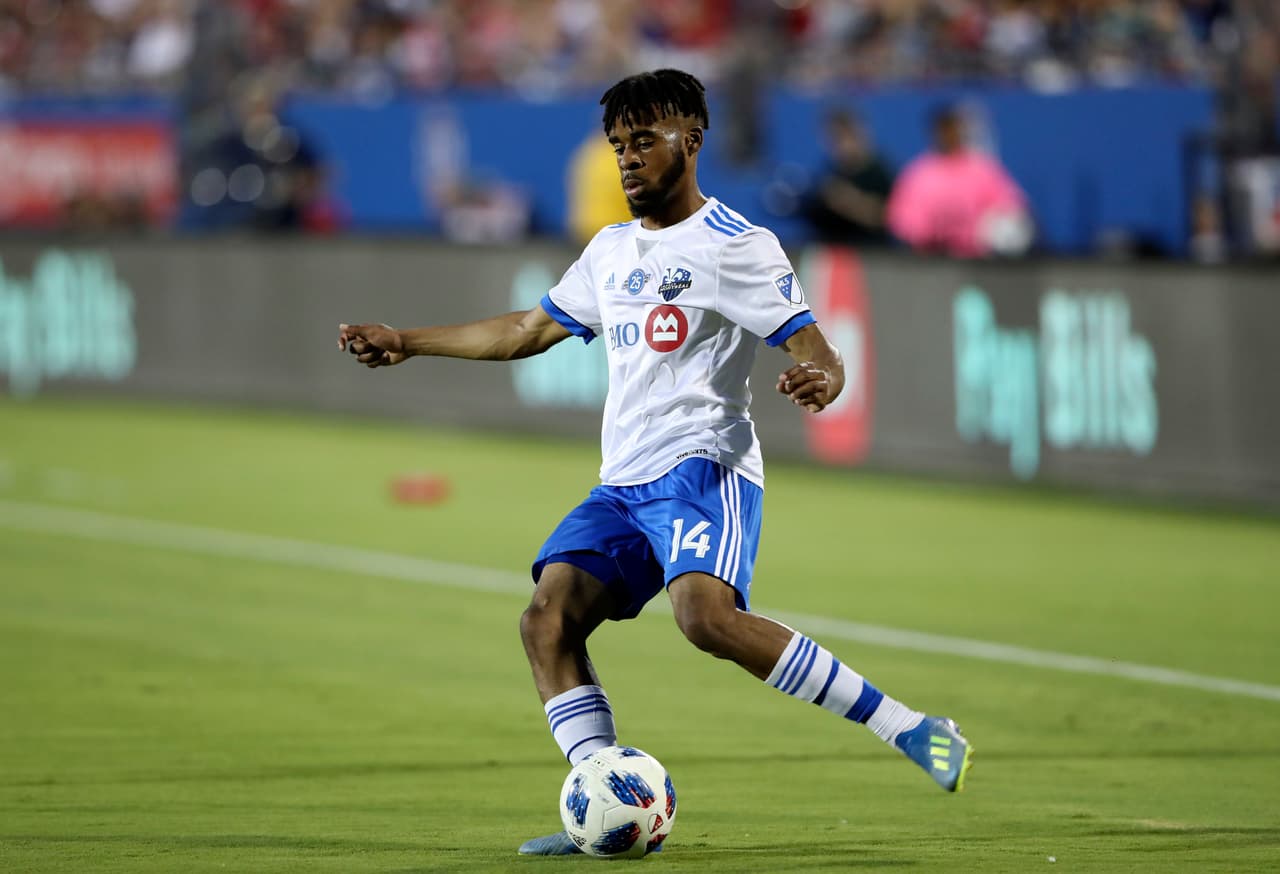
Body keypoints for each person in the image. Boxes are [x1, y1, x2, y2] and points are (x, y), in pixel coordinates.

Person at [337, 68, 972, 857]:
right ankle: (606, 793)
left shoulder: (736, 246)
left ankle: (911, 729)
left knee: (705, 620)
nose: (628, 160)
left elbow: (813, 344)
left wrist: (826, 376)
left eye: (645, 141)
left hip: (705, 467)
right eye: (618, 146)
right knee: (546, 619)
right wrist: (409, 341)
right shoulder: (611, 250)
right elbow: (525, 331)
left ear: (692, 140)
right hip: (624, 483)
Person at [886, 104, 1031, 258]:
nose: (949, 135)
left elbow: (1011, 205)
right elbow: (902, 220)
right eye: (945, 130)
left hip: (976, 261)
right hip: (930, 261)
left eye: (954, 129)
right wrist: (929, 234)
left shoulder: (983, 170)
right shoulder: (917, 173)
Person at [803, 108, 895, 246]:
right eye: (835, 139)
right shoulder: (829, 174)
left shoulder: (880, 173)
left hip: (873, 252)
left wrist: (851, 203)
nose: (842, 145)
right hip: (835, 251)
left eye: (846, 136)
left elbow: (890, 219)